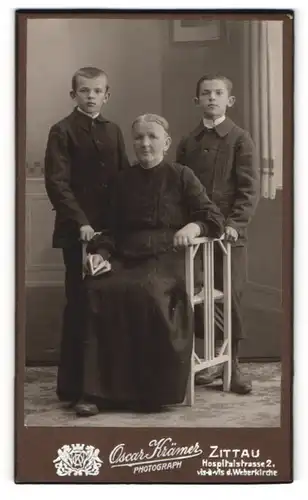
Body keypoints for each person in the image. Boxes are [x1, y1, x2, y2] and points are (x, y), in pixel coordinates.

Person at [74, 113, 225, 417]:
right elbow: (110, 229)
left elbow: (213, 218)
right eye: (139, 138)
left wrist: (193, 228)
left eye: (152, 137)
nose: (145, 143)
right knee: (96, 289)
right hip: (126, 255)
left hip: (170, 257)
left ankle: (150, 392)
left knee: (149, 292)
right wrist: (101, 253)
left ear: (166, 143)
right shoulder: (121, 181)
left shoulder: (182, 176)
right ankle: (94, 392)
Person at [44, 66, 129, 406]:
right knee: (81, 305)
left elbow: (123, 179)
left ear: (107, 95)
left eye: (97, 91)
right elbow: (57, 183)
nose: (91, 96)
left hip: (111, 233)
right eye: (84, 91)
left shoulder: (114, 131)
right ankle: (79, 390)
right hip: (77, 232)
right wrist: (80, 221)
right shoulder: (62, 131)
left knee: (110, 304)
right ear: (73, 94)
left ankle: (110, 387)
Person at [176, 74, 260, 394]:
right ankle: (206, 362)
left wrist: (234, 225)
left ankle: (232, 363)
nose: (212, 98)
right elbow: (178, 188)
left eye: (218, 93)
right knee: (197, 296)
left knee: (230, 296)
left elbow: (249, 190)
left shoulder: (240, 139)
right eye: (206, 93)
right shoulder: (187, 142)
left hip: (228, 236)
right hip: (196, 235)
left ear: (230, 100)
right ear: (196, 100)